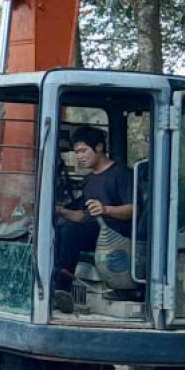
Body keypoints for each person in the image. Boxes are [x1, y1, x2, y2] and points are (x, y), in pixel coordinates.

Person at [53, 126, 134, 311]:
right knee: (58, 228)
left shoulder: (121, 174)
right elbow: (83, 216)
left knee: (70, 232)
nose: (79, 157)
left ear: (98, 147)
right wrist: (61, 211)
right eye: (77, 152)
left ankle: (61, 288)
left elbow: (133, 209)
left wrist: (105, 209)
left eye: (83, 151)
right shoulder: (88, 180)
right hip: (92, 232)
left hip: (115, 235)